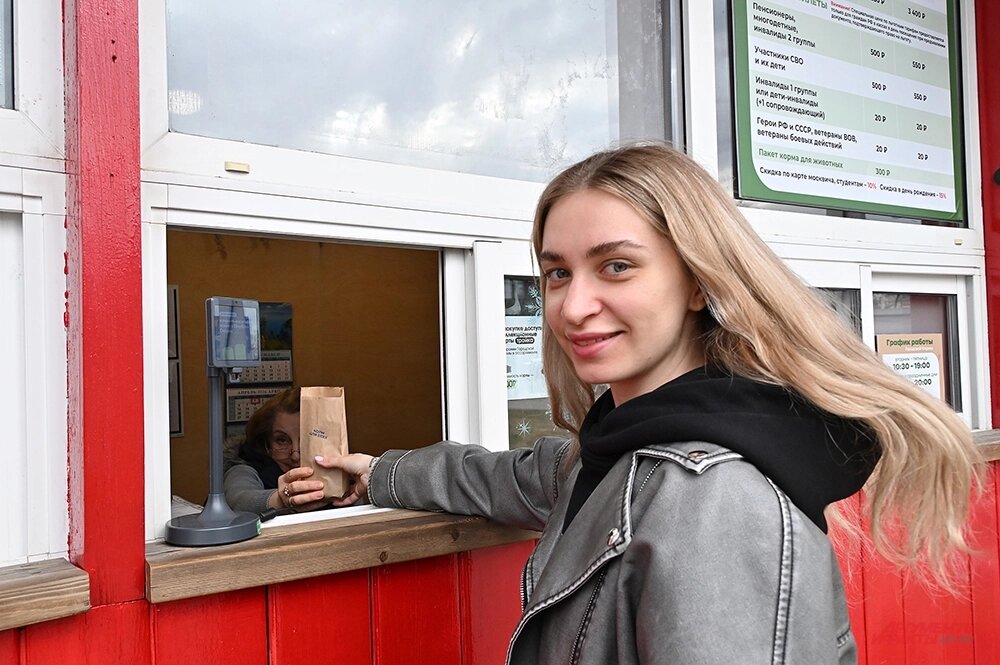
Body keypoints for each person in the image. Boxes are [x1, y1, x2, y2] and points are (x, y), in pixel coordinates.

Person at [321, 143, 981, 664]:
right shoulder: (621, 444)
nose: (573, 306)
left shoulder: (711, 500)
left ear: (697, 282)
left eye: (616, 266)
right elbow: (508, 476)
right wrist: (377, 472)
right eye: (558, 272)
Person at [223, 387, 330, 514]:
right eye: (282, 440)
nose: (295, 455)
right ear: (266, 442)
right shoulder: (244, 466)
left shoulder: (334, 467)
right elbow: (238, 499)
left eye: (306, 441)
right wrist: (280, 499)